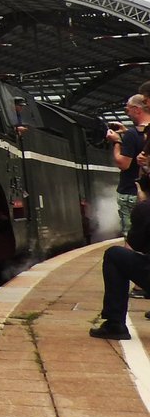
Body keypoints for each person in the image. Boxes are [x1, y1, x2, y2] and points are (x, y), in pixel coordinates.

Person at [90, 186, 150, 339]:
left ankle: (115, 324)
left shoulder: (145, 208)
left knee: (114, 255)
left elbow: (135, 245)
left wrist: (141, 206)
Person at [106, 94, 149, 237]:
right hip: (147, 190)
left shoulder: (132, 134)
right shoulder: (142, 132)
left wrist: (117, 141)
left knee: (132, 235)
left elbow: (123, 164)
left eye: (127, 109)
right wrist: (127, 132)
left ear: (137, 109)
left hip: (131, 191)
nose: (127, 113)